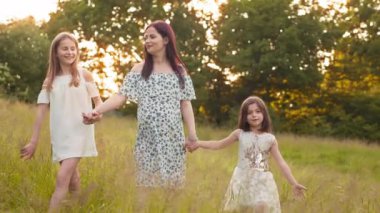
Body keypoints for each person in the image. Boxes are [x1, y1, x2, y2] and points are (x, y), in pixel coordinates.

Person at [82, 20, 198, 188]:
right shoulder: (138, 70)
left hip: (173, 138)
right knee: (144, 186)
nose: (147, 41)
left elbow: (185, 104)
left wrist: (192, 134)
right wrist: (96, 111)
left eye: (152, 36)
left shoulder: (179, 71)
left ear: (166, 40)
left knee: (172, 188)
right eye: (145, 38)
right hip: (146, 137)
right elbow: (120, 97)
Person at [20, 32, 103, 212]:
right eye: (65, 48)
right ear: (56, 52)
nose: (69, 52)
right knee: (72, 179)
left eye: (73, 49)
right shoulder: (50, 81)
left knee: (62, 178)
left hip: (80, 132)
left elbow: (99, 104)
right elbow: (41, 112)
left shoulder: (84, 75)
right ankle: (76, 207)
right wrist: (33, 141)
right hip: (60, 135)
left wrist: (96, 114)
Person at [187, 96, 306, 213]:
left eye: (258, 111)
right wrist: (198, 143)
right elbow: (218, 144)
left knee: (262, 205)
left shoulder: (270, 139)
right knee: (241, 208)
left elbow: (281, 163)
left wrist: (294, 183)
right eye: (250, 113)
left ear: (264, 114)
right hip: (242, 179)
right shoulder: (240, 134)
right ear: (245, 116)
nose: (254, 115)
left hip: (262, 180)